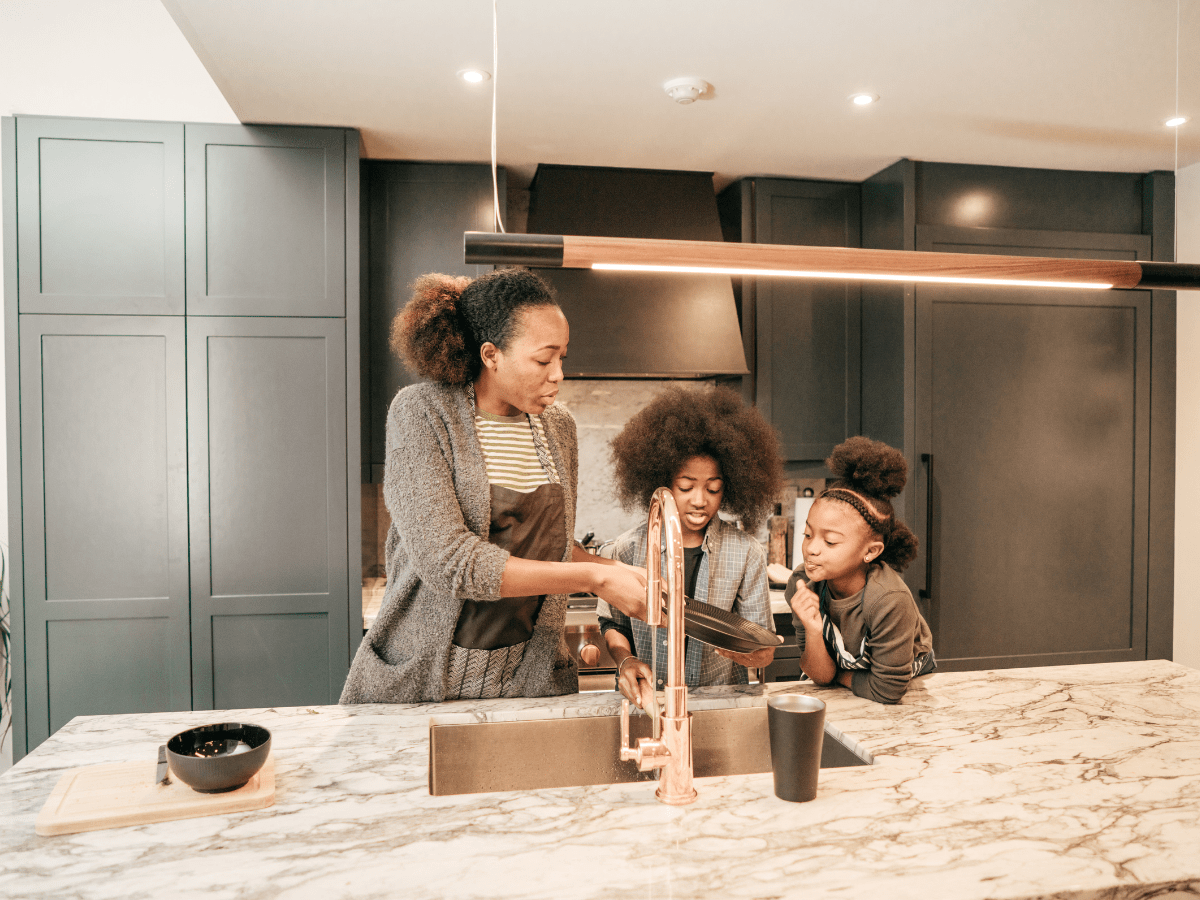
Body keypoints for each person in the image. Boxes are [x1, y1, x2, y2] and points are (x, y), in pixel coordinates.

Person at [340, 268, 647, 704]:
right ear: (491, 354)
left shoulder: (559, 428)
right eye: (544, 359)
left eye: (563, 357)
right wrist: (594, 577)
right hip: (425, 681)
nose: (558, 373)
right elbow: (449, 562)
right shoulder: (422, 413)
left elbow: (549, 545)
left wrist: (613, 570)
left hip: (530, 679)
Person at [596, 385, 784, 709]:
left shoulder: (747, 553)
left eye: (713, 489)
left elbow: (762, 645)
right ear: (663, 481)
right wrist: (625, 661)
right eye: (686, 487)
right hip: (649, 704)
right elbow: (613, 623)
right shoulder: (627, 549)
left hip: (720, 705)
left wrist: (758, 656)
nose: (699, 501)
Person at [785, 436, 935, 704]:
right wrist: (812, 630)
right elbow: (819, 675)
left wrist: (838, 675)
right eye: (808, 534)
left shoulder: (889, 600)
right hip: (855, 691)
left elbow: (886, 690)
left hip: (909, 694)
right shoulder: (802, 584)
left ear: (870, 551)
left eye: (830, 541)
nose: (811, 549)